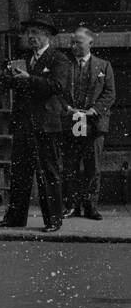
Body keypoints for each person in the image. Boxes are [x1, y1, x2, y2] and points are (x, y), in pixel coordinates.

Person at [0, 14, 72, 233]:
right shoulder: (24, 59)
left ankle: (53, 220)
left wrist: (28, 78)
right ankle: (15, 218)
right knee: (20, 173)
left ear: (48, 36)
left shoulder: (58, 59)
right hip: (23, 124)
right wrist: (8, 77)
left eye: (36, 33)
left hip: (47, 126)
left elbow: (57, 86)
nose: (31, 37)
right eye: (29, 33)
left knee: (48, 172)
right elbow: (15, 86)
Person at [62, 25, 115, 220]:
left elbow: (110, 94)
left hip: (93, 123)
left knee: (93, 166)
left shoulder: (104, 66)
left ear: (90, 43)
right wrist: (67, 107)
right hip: (72, 120)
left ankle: (91, 206)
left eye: (78, 42)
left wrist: (95, 110)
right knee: (70, 165)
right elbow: (59, 91)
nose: (74, 46)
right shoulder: (66, 65)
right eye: (72, 42)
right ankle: (72, 206)